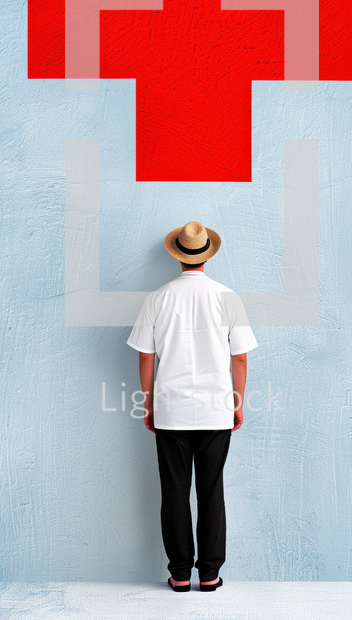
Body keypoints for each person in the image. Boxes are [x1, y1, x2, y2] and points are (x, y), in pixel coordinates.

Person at [127, 220, 258, 593]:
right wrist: (237, 402)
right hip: (217, 408)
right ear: (206, 255)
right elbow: (240, 359)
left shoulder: (158, 298)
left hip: (170, 410)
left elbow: (145, 357)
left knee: (174, 491)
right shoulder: (228, 297)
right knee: (211, 491)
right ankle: (210, 575)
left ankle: (180, 574)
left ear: (178, 256)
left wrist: (149, 403)